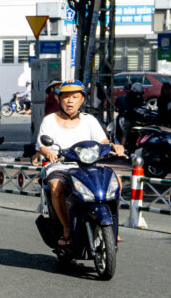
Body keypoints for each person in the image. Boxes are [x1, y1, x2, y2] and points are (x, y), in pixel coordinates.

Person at [38, 80, 123, 247]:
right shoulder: (49, 120)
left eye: (75, 97)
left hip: (89, 166)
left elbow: (103, 141)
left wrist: (114, 146)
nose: (70, 101)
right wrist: (49, 153)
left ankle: (112, 226)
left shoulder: (89, 120)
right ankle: (66, 228)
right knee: (56, 187)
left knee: (116, 182)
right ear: (59, 99)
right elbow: (42, 146)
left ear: (82, 100)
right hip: (61, 166)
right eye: (66, 97)